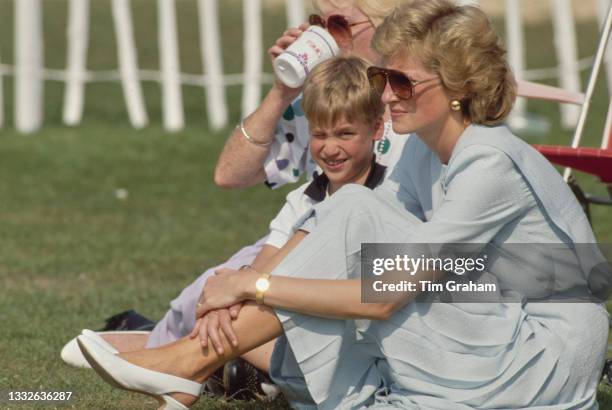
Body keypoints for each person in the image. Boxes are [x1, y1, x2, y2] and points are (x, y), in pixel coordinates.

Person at [77, 0, 611, 409]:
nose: (385, 94)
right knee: (351, 212)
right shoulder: (421, 154)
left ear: (457, 88)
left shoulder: (491, 158)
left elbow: (388, 292)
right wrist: (242, 288)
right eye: (383, 77)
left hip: (545, 355)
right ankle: (196, 360)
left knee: (359, 258)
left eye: (401, 80)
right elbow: (340, 233)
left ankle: (193, 360)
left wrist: (252, 284)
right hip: (489, 311)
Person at [61, 0, 409, 373]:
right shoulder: (322, 105)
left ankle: (187, 358)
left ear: (388, 26)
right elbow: (231, 175)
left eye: (338, 24)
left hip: (375, 264)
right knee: (210, 292)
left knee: (251, 296)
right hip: (308, 244)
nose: (323, 36)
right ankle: (189, 354)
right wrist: (282, 90)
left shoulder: (417, 113)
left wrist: (249, 289)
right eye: (317, 23)